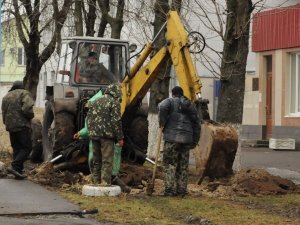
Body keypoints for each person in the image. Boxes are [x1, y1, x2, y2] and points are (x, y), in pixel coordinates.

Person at [158, 86, 200, 196]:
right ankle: (181, 190)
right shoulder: (190, 105)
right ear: (182, 93)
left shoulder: (170, 102)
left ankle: (169, 190)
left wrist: (162, 123)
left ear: (173, 94)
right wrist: (195, 140)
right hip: (186, 140)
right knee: (183, 166)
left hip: (172, 138)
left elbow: (162, 107)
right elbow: (197, 124)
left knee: (170, 164)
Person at [85, 83, 124, 185]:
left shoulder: (95, 101)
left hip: (94, 135)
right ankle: (105, 183)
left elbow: (88, 118)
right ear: (116, 92)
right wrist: (120, 138)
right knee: (107, 161)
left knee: (96, 160)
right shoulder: (114, 102)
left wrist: (91, 133)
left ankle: (95, 181)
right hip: (107, 137)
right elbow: (116, 121)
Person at [1, 81, 35, 180]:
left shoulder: (6, 96)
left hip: (10, 126)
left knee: (17, 148)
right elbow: (27, 108)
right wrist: (30, 116)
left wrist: (6, 123)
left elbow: (3, 112)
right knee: (27, 147)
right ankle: (14, 166)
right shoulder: (24, 93)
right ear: (22, 86)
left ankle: (17, 172)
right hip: (22, 125)